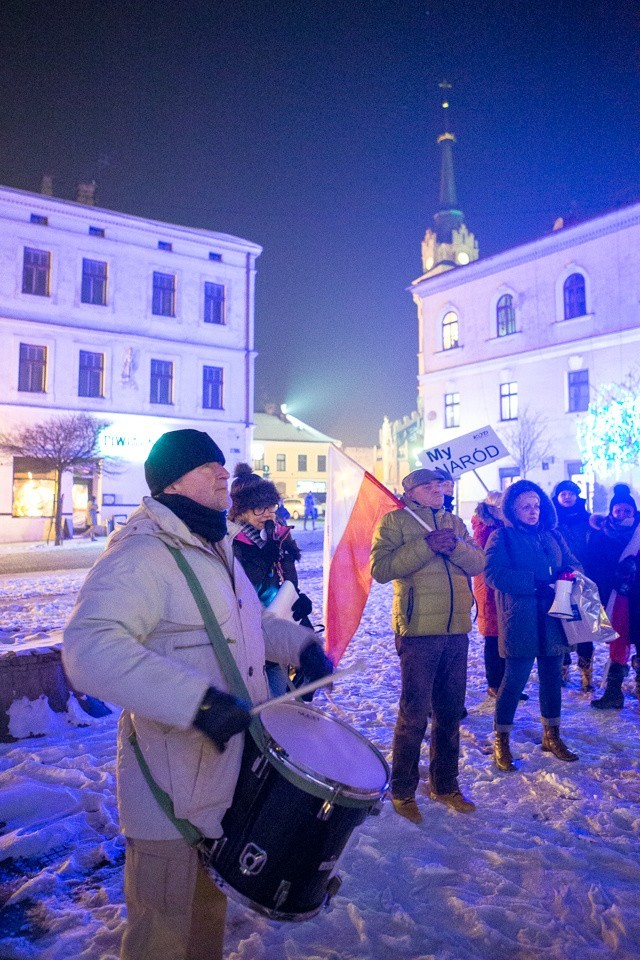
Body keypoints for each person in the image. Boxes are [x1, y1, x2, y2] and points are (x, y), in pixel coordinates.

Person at [63, 429, 332, 960]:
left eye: (221, 465)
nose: (223, 474)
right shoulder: (145, 551)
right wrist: (196, 702)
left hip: (223, 782)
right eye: (209, 466)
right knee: (162, 936)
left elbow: (247, 625)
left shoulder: (215, 544)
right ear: (174, 480)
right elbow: (88, 647)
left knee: (203, 930)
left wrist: (301, 647)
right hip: (170, 788)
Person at [370, 468, 485, 823]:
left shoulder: (454, 521)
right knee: (414, 713)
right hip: (418, 630)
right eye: (429, 486)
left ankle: (445, 784)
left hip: (457, 630)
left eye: (441, 485)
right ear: (412, 492)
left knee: (450, 713)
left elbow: (479, 562)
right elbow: (380, 568)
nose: (438, 490)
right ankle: (403, 789)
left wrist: (454, 547)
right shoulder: (394, 522)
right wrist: (425, 546)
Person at [485, 480, 581, 773]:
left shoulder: (552, 535)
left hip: (554, 618)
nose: (533, 511)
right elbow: (492, 574)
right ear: (512, 510)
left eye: (537, 505)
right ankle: (502, 740)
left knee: (552, 679)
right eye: (525, 506)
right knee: (514, 681)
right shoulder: (502, 537)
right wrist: (533, 585)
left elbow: (573, 562)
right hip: (520, 619)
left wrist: (572, 574)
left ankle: (551, 736)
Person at [228, 463, 314, 695]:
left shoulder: (278, 534)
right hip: (250, 631)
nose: (267, 514)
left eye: (270, 507)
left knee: (282, 696)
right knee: (263, 700)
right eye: (258, 508)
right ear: (240, 511)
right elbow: (243, 588)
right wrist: (263, 558)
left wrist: (296, 597)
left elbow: (287, 575)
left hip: (279, 625)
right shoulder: (231, 541)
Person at [585, 483, 640, 709]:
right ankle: (613, 692)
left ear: (633, 512)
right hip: (615, 598)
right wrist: (613, 577)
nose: (622, 514)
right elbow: (592, 564)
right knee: (618, 642)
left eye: (627, 510)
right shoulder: (601, 535)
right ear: (611, 511)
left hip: (638, 596)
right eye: (618, 510)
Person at [552, 480, 593, 690]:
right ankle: (562, 669)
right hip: (560, 578)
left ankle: (587, 674)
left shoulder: (588, 519)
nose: (567, 497)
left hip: (585, 577)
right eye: (563, 494)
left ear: (577, 496)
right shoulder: (551, 521)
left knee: (585, 626)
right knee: (562, 623)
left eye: (571, 494)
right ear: (557, 497)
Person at [471, 491, 506, 697]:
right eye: (501, 507)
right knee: (493, 637)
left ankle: (506, 683)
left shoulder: (502, 526)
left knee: (506, 636)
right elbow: (486, 557)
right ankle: (494, 683)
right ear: (492, 508)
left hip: (502, 586)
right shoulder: (484, 528)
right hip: (489, 588)